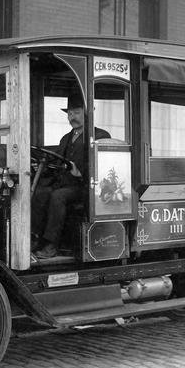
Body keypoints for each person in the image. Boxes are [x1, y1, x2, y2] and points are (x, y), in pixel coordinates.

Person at [32, 93, 110, 259]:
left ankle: (52, 245)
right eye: (69, 113)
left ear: (87, 113)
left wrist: (81, 174)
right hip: (64, 183)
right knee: (39, 192)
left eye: (76, 113)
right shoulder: (66, 138)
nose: (72, 117)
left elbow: (104, 167)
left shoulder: (101, 136)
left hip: (87, 187)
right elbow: (57, 160)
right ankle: (36, 239)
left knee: (58, 196)